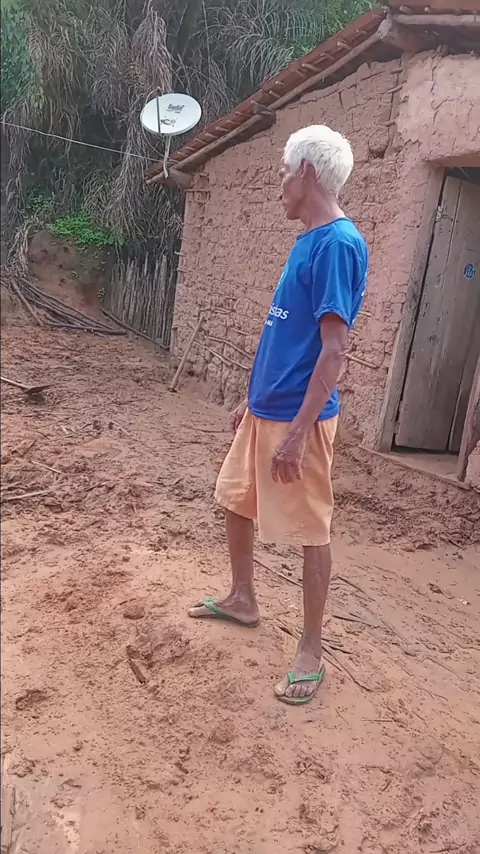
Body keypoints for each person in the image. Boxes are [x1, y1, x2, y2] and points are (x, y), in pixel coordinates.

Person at [189, 125, 368, 705]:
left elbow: (334, 351)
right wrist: (252, 397)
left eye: (284, 173)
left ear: (307, 173)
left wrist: (297, 433)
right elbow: (285, 334)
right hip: (268, 407)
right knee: (235, 499)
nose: (280, 186)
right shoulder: (307, 240)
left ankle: (311, 652)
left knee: (312, 529)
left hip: (298, 419)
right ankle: (243, 598)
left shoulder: (337, 244)